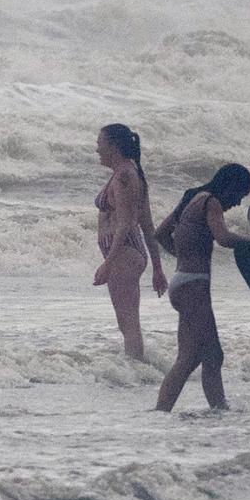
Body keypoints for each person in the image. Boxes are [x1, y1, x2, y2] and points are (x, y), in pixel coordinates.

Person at [151, 162, 250, 412]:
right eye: (239, 195)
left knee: (201, 357)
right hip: (193, 287)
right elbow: (223, 238)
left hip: (182, 282)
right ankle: (179, 410)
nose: (238, 203)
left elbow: (161, 233)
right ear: (229, 186)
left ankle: (209, 410)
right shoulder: (211, 202)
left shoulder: (193, 197)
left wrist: (184, 255)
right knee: (201, 357)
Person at [94, 123, 165, 361]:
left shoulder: (125, 176)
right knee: (125, 321)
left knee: (128, 321)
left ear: (113, 146)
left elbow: (125, 224)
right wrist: (157, 268)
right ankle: (136, 367)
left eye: (100, 143)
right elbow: (147, 225)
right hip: (128, 252)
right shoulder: (129, 173)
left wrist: (108, 263)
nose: (97, 148)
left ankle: (135, 370)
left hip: (124, 253)